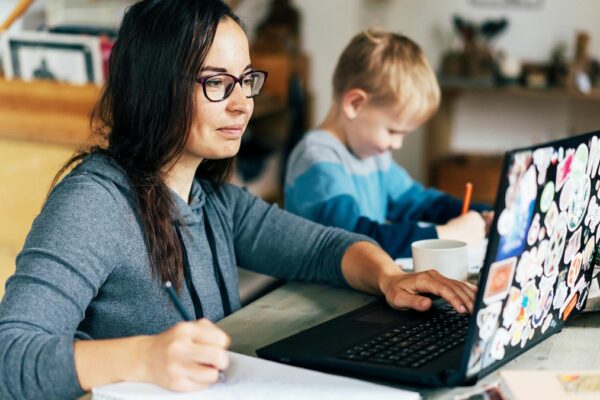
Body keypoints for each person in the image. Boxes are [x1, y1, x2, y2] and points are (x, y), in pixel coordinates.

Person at [0, 2, 478, 399]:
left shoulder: (215, 201)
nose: (242, 103)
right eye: (216, 82)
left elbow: (323, 248)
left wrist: (390, 277)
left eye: (246, 79)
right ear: (154, 88)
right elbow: (10, 355)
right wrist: (143, 356)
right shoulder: (93, 204)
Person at [284, 30, 492, 259]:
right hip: (315, 291)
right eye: (393, 131)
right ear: (355, 104)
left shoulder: (373, 154)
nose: (397, 144)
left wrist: (482, 214)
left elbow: (419, 203)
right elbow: (356, 239)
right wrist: (444, 235)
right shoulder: (317, 159)